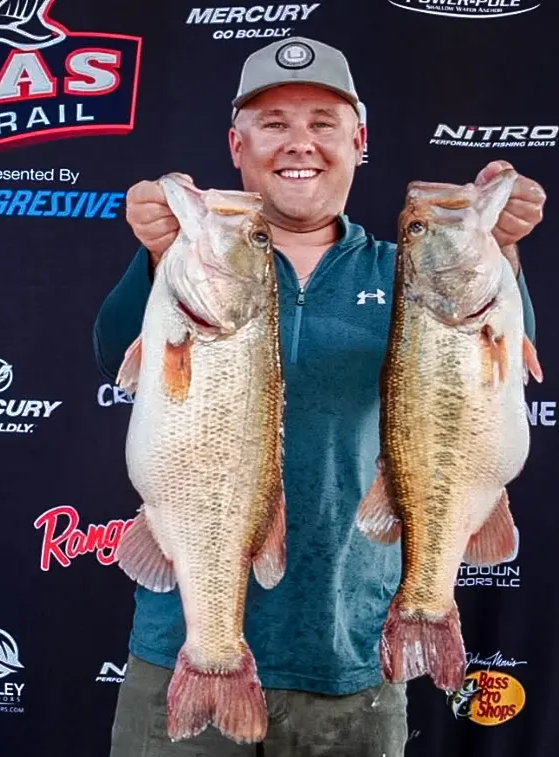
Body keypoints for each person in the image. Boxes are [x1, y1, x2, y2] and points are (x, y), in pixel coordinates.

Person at [93, 36, 546, 757]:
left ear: (359, 141)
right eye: (273, 123)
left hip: (356, 651)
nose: (298, 142)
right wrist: (154, 258)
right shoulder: (196, 263)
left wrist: (507, 250)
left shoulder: (412, 272)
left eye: (322, 122)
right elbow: (109, 345)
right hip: (180, 643)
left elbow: (489, 378)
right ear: (236, 144)